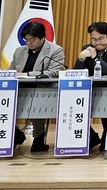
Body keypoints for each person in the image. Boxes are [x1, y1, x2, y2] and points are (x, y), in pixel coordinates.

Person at [9, 21, 65, 152]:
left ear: (42, 37)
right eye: (26, 39)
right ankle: (16, 134)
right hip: (19, 87)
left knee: (35, 101)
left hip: (43, 88)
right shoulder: (19, 51)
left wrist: (28, 74)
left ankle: (38, 137)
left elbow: (54, 72)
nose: (29, 43)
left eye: (32, 39)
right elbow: (12, 71)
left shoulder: (55, 50)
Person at [73, 21, 107, 151]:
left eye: (101, 39)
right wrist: (81, 58)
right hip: (93, 88)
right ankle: (92, 137)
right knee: (74, 103)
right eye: (94, 39)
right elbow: (76, 73)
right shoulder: (87, 48)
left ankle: (106, 137)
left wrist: (96, 58)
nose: (97, 43)